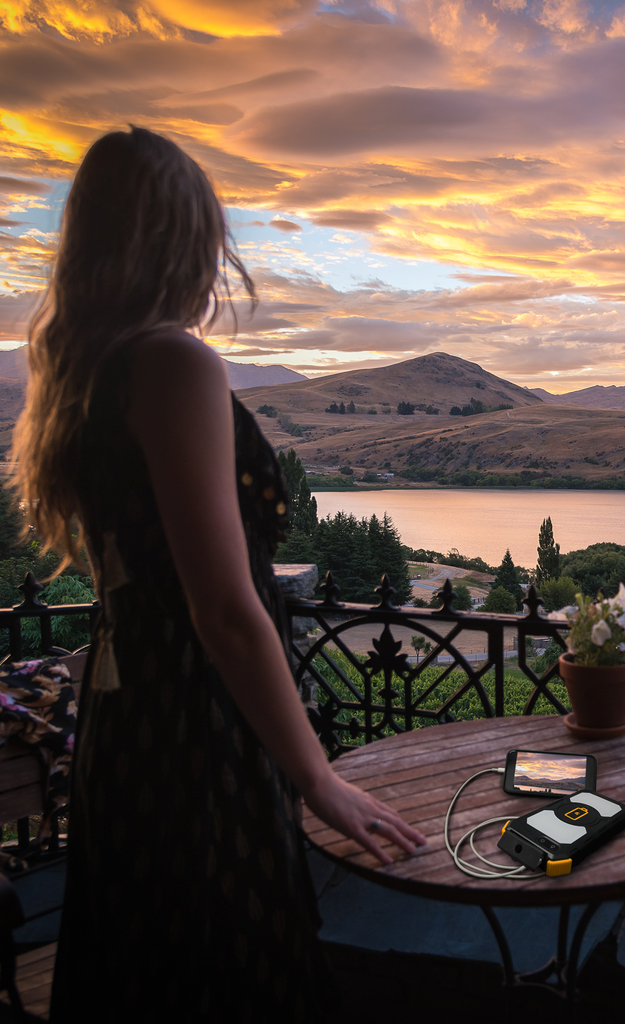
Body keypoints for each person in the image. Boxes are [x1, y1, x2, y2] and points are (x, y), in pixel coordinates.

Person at [12, 126, 427, 1021]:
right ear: (175, 238)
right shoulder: (172, 362)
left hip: (129, 725)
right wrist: (318, 777)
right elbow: (224, 607)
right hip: (198, 726)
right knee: (232, 967)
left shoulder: (83, 379)